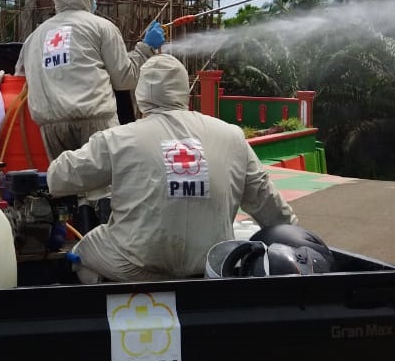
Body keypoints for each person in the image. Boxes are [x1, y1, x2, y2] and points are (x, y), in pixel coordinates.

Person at [47, 53, 297, 283]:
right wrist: (296, 237)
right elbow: (267, 202)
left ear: (141, 94)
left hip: (137, 267)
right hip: (212, 263)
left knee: (81, 252)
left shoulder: (117, 138)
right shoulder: (231, 135)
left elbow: (59, 179)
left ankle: (114, 308)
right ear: (183, 90)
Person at [15, 0, 165, 159]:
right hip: (95, 123)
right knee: (104, 186)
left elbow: (19, 79)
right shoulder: (101, 27)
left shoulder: (34, 38)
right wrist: (146, 49)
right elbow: (124, 79)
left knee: (66, 185)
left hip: (51, 129)